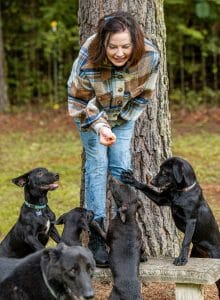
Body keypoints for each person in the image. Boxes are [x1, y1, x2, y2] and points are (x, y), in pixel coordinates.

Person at [67, 11, 160, 267]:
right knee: (97, 165)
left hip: (124, 115)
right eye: (113, 47)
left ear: (135, 43)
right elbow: (81, 101)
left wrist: (118, 123)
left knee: (121, 166)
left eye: (125, 46)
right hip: (89, 114)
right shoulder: (89, 55)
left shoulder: (150, 57)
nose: (119, 53)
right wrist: (100, 127)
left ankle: (125, 234)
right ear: (104, 43)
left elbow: (145, 95)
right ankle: (96, 235)